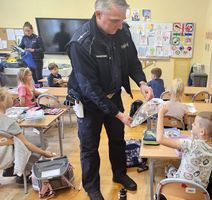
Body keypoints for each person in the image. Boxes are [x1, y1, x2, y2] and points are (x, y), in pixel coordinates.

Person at [66, 0, 153, 199]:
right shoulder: (80, 43)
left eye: (122, 20)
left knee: (117, 140)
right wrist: (118, 114)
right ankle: (92, 187)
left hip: (114, 96)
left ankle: (119, 174)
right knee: (89, 147)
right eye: (115, 20)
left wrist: (142, 82)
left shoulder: (122, 31)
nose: (120, 25)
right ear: (98, 14)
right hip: (88, 102)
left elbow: (132, 62)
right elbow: (90, 89)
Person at [156, 103, 212, 188]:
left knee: (168, 166)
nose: (192, 125)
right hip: (200, 191)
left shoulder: (190, 144)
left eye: (194, 123)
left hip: (180, 187)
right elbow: (202, 139)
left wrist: (160, 114)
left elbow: (160, 139)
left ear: (202, 132)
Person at [0, 87, 56, 183]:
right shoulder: (9, 123)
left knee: (29, 136)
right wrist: (44, 153)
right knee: (41, 141)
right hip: (5, 154)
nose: (13, 99)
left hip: (3, 150)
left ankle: (12, 169)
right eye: (10, 97)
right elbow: (26, 144)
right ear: (2, 102)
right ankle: (23, 173)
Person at [19, 22, 45, 86]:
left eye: (28, 30)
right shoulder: (24, 38)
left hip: (37, 60)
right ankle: (36, 89)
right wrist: (17, 48)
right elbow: (21, 46)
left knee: (38, 76)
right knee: (33, 76)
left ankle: (41, 90)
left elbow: (42, 49)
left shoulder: (37, 38)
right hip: (29, 60)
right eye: (25, 31)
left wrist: (33, 50)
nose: (27, 32)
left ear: (32, 30)